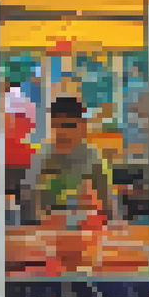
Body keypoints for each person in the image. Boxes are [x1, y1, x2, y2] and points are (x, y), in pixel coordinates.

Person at [23, 96, 116, 229]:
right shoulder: (40, 160)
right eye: (57, 126)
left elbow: (109, 212)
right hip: (47, 234)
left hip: (88, 233)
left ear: (82, 126)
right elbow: (28, 209)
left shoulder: (95, 162)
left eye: (70, 126)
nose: (63, 132)